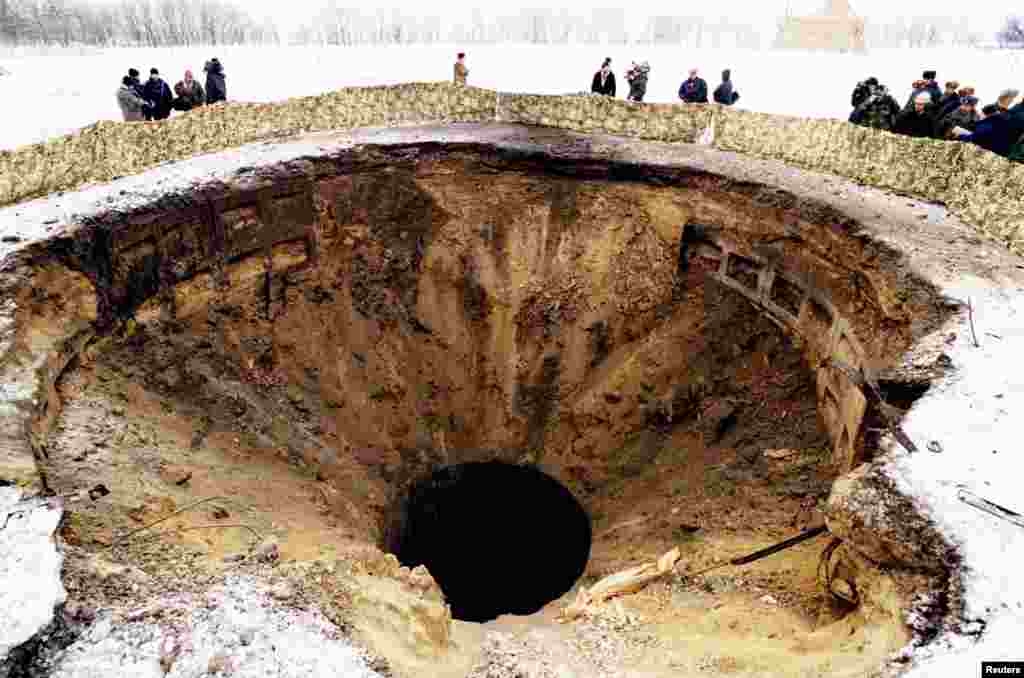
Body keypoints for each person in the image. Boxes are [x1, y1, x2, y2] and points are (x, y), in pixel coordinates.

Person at [953, 100, 1024, 157]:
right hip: (999, 153)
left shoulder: (992, 122)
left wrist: (961, 136)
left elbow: (978, 137)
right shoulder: (1006, 118)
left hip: (985, 152)